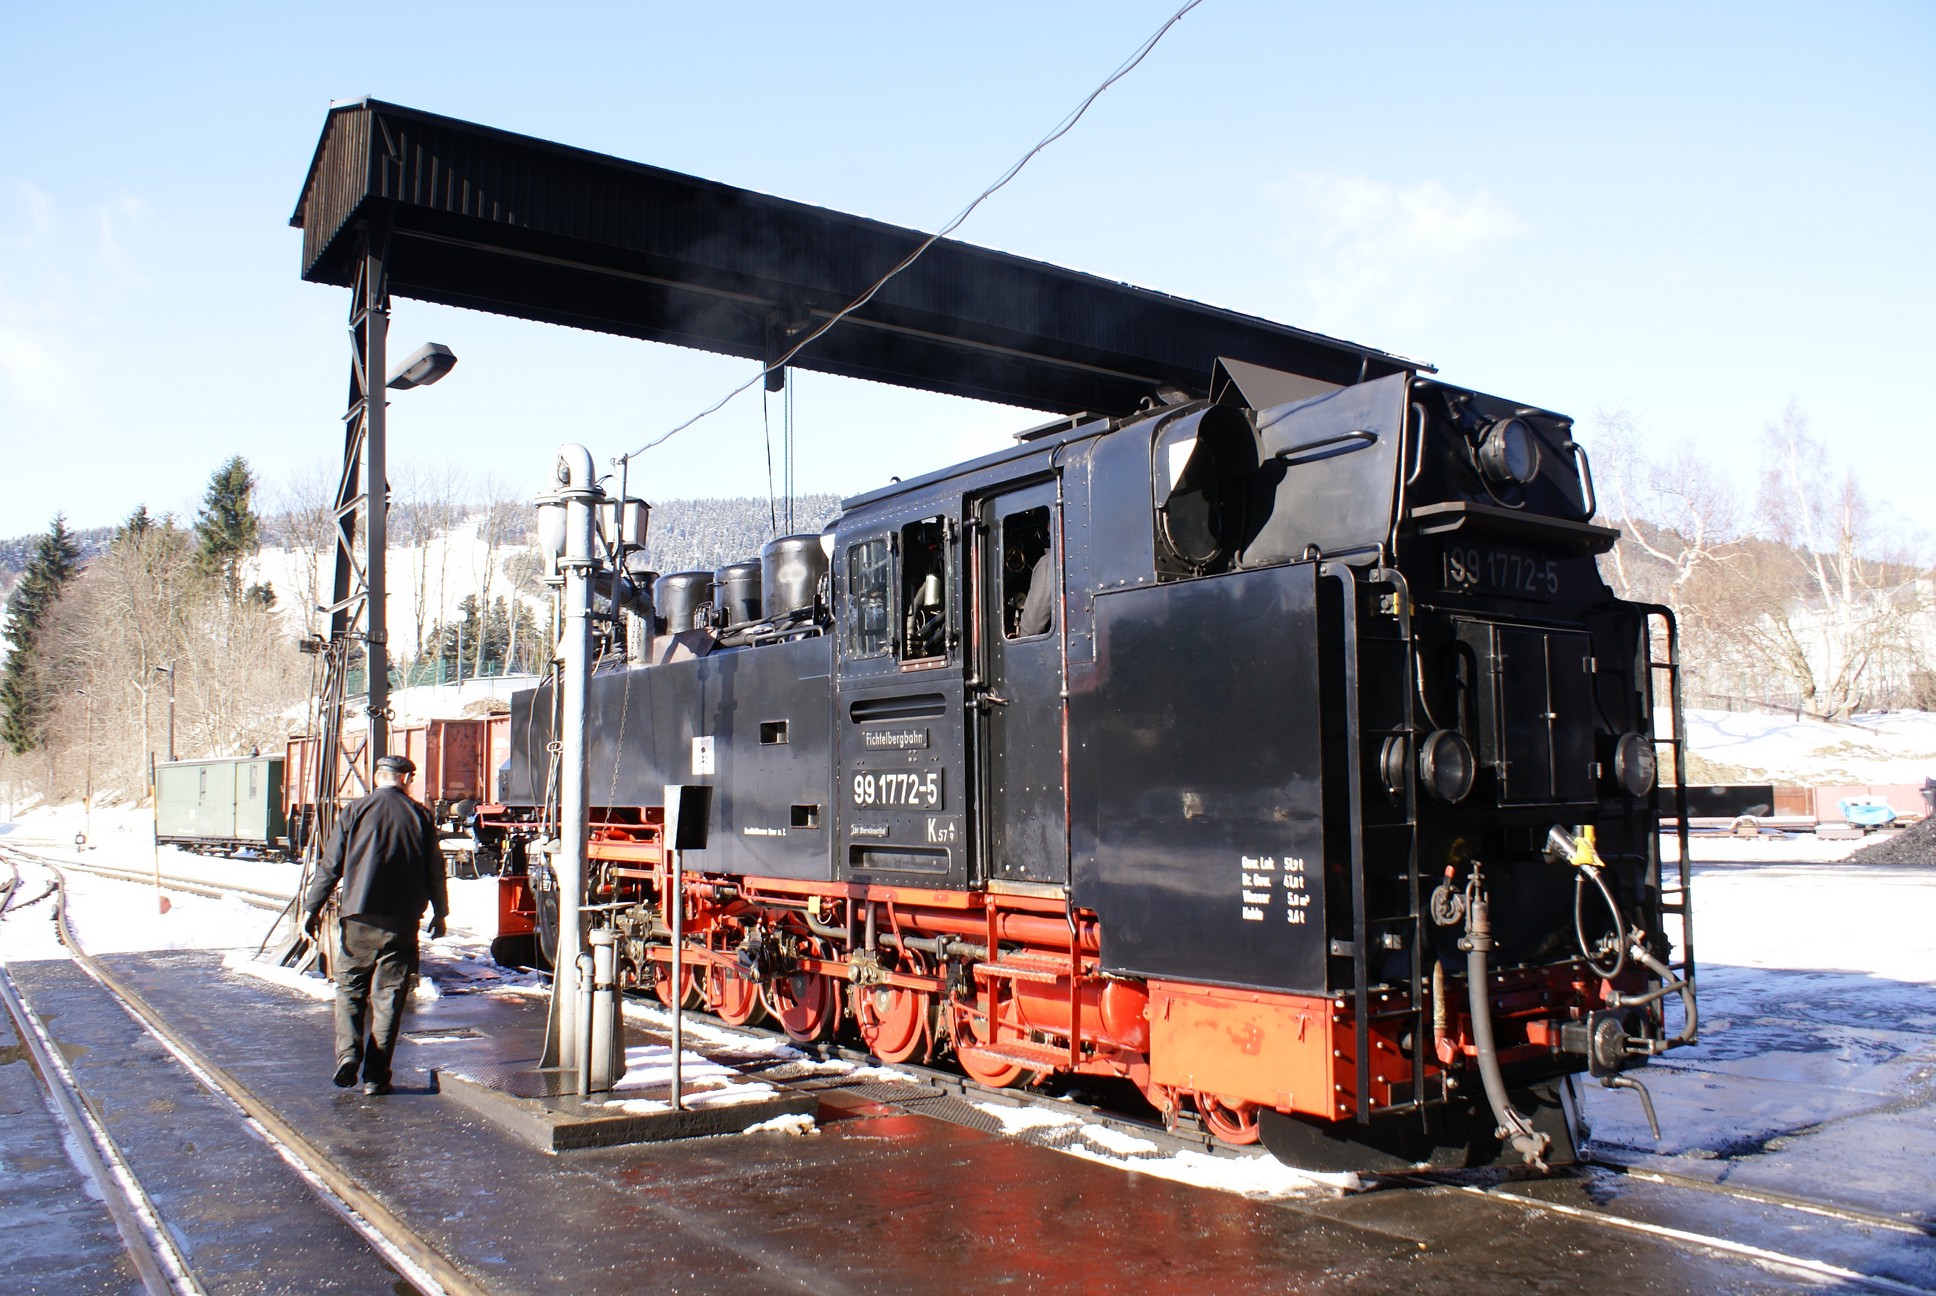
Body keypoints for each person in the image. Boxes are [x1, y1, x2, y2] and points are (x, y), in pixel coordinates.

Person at [301, 753, 448, 1096]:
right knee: (389, 997)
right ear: (405, 779)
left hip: (358, 916)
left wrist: (311, 909)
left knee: (350, 989)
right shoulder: (421, 815)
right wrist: (440, 912)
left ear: (378, 777)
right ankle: (376, 1077)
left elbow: (330, 865)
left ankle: (348, 1055)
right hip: (402, 920)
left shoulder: (355, 810)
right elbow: (435, 870)